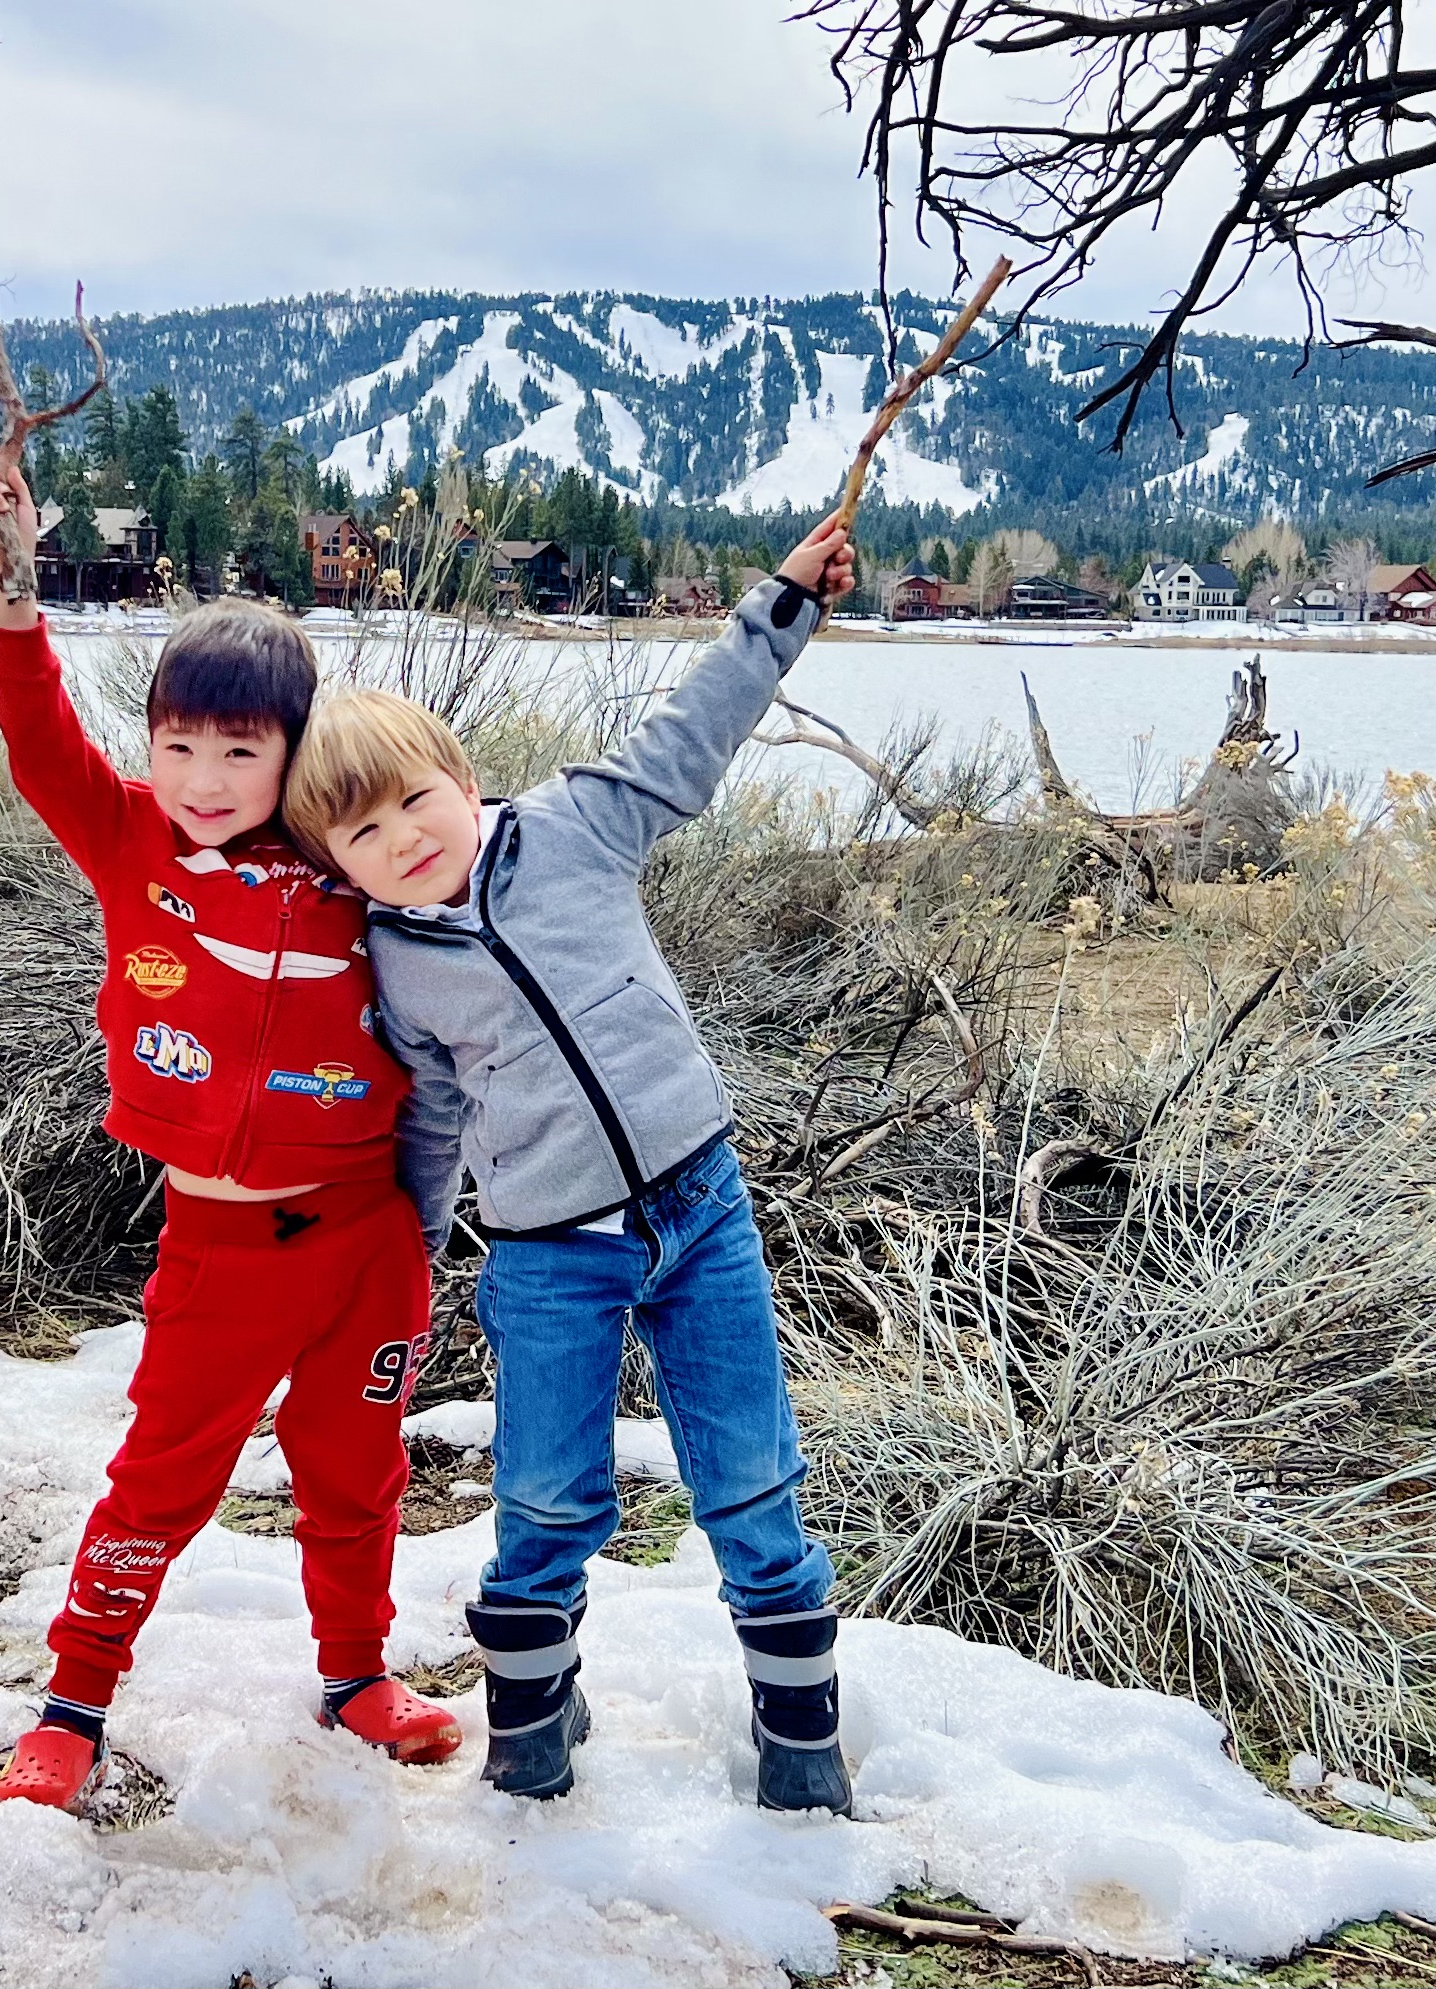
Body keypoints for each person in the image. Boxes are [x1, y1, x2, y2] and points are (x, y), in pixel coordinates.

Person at [280, 516, 859, 1810]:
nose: (405, 838)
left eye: (417, 800)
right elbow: (427, 1125)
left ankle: (801, 1742)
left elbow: (691, 731)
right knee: (546, 1495)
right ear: (337, 862)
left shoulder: (574, 827)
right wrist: (403, 1267)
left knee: (752, 1476)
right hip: (547, 1252)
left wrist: (785, 605)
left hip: (700, 1206)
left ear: (461, 774)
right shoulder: (395, 964)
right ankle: (533, 1727)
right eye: (365, 834)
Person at [0, 464, 461, 1807]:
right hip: (221, 1249)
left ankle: (358, 1676)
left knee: (358, 1471)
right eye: (177, 745)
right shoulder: (126, 838)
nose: (200, 778)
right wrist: (14, 595)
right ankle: (74, 1700)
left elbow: (470, 882)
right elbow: (35, 740)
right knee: (159, 1482)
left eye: (240, 752)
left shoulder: (351, 867)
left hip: (369, 1240)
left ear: (295, 756)